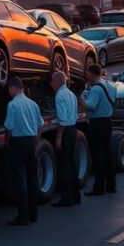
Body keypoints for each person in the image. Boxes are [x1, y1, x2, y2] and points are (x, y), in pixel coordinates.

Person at [4, 76, 42, 225]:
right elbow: (40, 124)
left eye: (9, 89)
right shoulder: (33, 104)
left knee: (20, 179)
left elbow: (9, 126)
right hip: (32, 141)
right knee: (33, 178)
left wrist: (6, 141)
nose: (9, 92)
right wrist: (36, 139)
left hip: (18, 142)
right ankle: (34, 214)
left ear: (13, 87)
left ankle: (23, 215)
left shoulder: (12, 105)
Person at [82, 64, 116, 195]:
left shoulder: (96, 89)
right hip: (107, 121)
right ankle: (111, 184)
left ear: (92, 73)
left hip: (97, 123)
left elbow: (91, 106)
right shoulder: (107, 84)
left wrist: (81, 99)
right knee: (107, 153)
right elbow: (114, 95)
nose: (86, 76)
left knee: (98, 155)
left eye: (87, 73)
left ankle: (99, 187)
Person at [50, 71, 81, 207]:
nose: (51, 84)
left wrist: (58, 138)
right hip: (73, 129)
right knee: (72, 163)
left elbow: (62, 119)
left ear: (57, 81)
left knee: (64, 166)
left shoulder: (59, 95)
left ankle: (66, 198)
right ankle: (76, 195)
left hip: (66, 132)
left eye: (52, 81)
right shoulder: (71, 94)